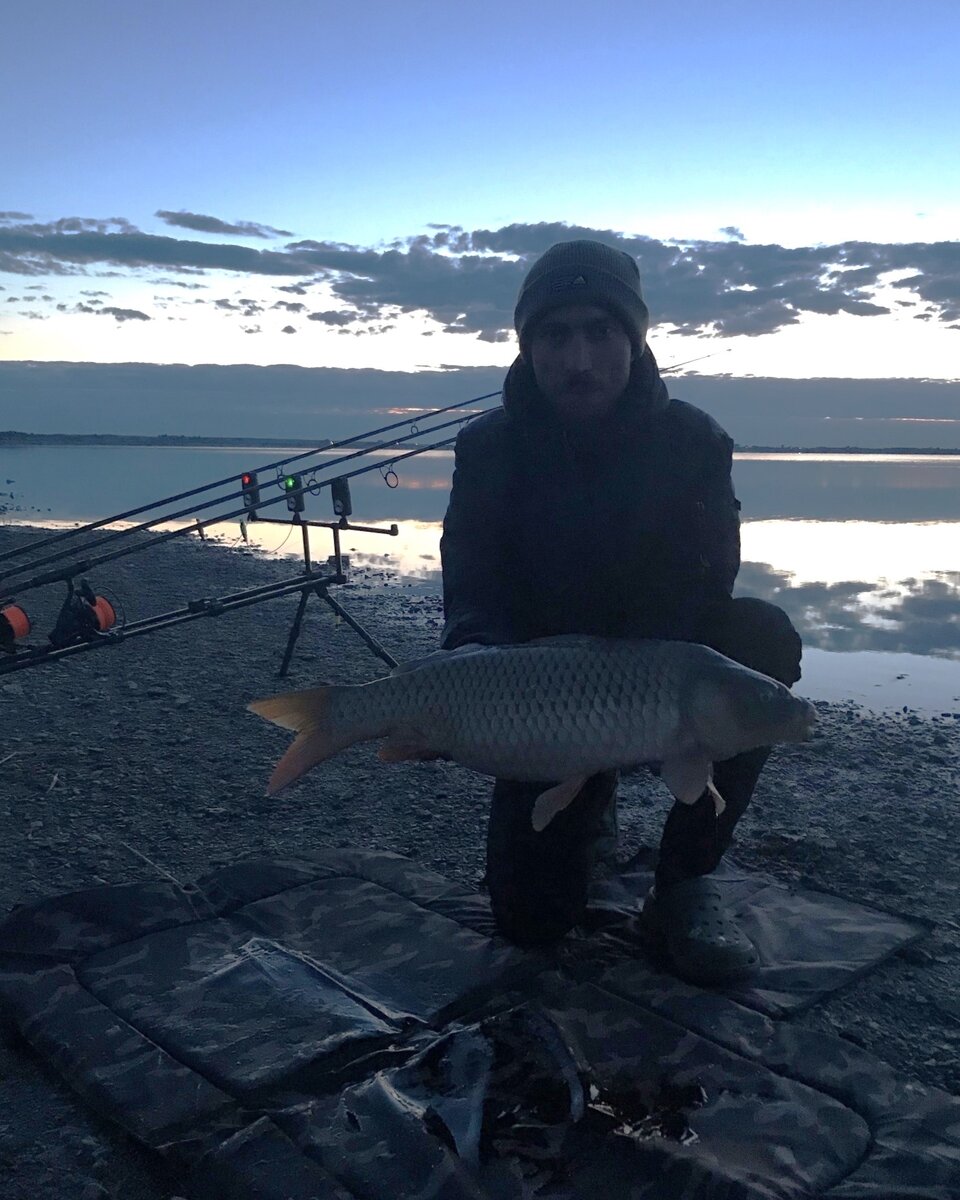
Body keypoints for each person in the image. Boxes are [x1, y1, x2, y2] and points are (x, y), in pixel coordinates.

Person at [439, 239, 803, 986]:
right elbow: (472, 585)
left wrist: (631, 703)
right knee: (531, 925)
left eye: (600, 333)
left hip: (651, 666)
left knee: (760, 637)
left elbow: (706, 584)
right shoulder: (487, 448)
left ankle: (684, 884)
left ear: (634, 342)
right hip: (540, 687)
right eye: (556, 334)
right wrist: (472, 670)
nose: (579, 358)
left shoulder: (693, 441)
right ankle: (586, 806)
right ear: (529, 346)